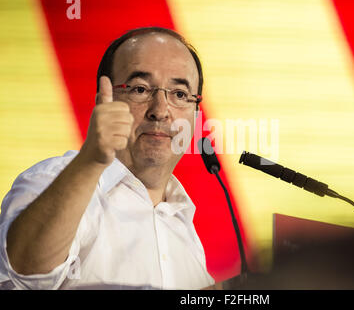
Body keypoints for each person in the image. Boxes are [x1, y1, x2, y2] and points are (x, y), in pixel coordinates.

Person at [0, 27, 216, 290]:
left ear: (195, 116)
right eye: (140, 89)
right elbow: (25, 266)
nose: (160, 111)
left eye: (180, 94)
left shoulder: (183, 225)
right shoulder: (52, 179)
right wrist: (91, 160)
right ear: (104, 102)